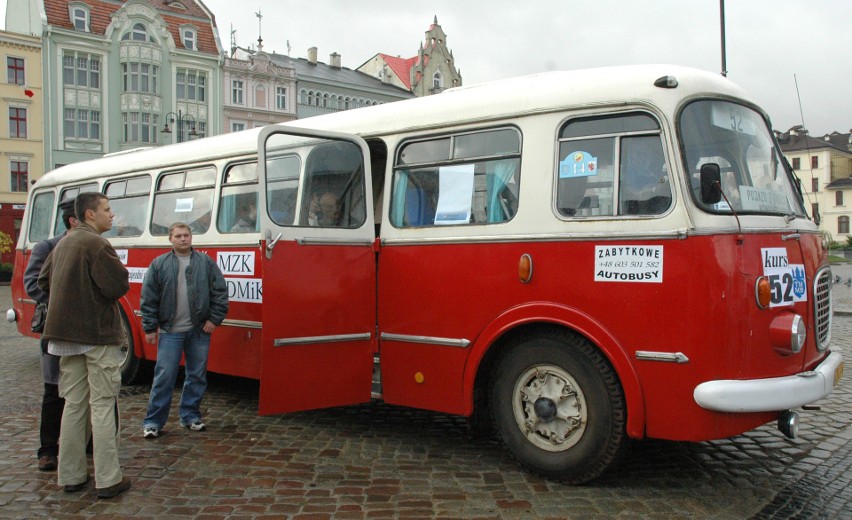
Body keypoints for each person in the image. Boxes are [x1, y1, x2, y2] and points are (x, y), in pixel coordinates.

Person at [37, 192, 131, 499]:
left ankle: (72, 476)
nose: (112, 214)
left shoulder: (64, 241)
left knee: (74, 405)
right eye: (106, 209)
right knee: (103, 404)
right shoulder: (96, 243)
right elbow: (117, 285)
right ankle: (107, 478)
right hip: (96, 335)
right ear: (90, 214)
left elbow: (43, 280)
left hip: (64, 337)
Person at [140, 222, 228, 439]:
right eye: (178, 235)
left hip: (198, 330)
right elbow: (148, 298)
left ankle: (190, 415)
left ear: (191, 237)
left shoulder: (205, 262)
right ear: (170, 239)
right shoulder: (159, 264)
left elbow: (220, 292)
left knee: (197, 375)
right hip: (170, 331)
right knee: (165, 377)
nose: (182, 239)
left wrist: (214, 320)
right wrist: (150, 327)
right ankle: (153, 422)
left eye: (186, 235)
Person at [23, 198, 78, 472]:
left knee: (86, 391)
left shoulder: (92, 244)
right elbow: (31, 283)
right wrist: (65, 301)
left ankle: (87, 442)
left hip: (84, 331)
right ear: (74, 220)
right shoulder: (47, 247)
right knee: (53, 389)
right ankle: (47, 449)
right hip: (54, 327)